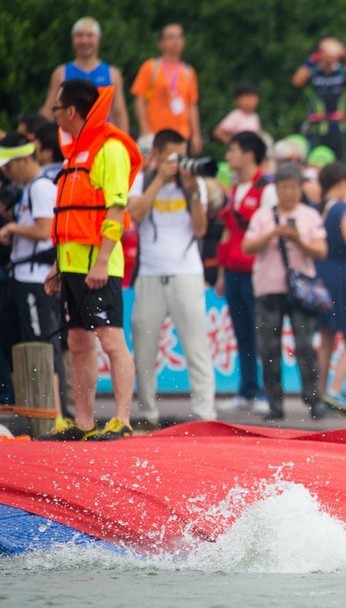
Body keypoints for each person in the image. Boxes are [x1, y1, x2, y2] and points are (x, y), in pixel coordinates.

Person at [44, 80, 143, 440]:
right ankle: (84, 423)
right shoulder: (76, 152)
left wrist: (101, 262)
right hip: (71, 265)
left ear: (70, 111)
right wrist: (58, 265)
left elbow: (116, 208)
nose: (54, 115)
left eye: (56, 109)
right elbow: (69, 219)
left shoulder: (109, 148)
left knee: (111, 339)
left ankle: (122, 421)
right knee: (78, 342)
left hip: (98, 265)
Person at [127, 129, 216, 428]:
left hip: (187, 273)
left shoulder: (193, 182)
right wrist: (160, 181)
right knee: (143, 350)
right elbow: (135, 214)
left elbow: (201, 229)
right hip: (150, 274)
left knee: (196, 347)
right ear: (156, 155)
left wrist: (190, 189)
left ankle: (205, 415)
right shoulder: (142, 179)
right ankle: (147, 414)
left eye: (182, 156)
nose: (178, 163)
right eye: (172, 158)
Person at [241, 163, 327, 420]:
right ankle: (274, 404)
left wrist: (298, 240)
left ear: (301, 188)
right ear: (276, 190)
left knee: (305, 345)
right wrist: (271, 235)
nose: (288, 193)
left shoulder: (310, 216)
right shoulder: (262, 217)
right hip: (268, 289)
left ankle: (314, 399)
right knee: (268, 347)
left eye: (293, 188)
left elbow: (322, 251)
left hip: (301, 290)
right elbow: (247, 247)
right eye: (283, 188)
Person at [0, 134, 68, 434]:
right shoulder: (28, 189)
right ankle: (44, 412)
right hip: (23, 277)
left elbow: (44, 232)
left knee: (44, 344)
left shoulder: (40, 187)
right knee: (30, 343)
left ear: (25, 160)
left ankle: (55, 415)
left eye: (10, 166)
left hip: (34, 280)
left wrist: (13, 227)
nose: (6, 172)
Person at [215, 131, 274, 414]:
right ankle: (246, 389)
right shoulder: (235, 189)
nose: (229, 157)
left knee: (260, 332)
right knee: (241, 334)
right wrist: (222, 273)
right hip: (235, 273)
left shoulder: (267, 188)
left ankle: (265, 392)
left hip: (258, 273)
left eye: (233, 151)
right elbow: (228, 232)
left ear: (249, 154)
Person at [313, 162, 346, 416]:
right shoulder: (342, 209)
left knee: (326, 337)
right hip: (340, 274)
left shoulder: (317, 208)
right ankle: (335, 389)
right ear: (343, 182)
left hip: (319, 273)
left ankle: (319, 392)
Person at [42, 17, 129, 134]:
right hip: (70, 138)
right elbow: (49, 110)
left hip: (102, 138)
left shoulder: (112, 73)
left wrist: (125, 141)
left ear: (98, 39)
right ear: (73, 39)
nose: (84, 41)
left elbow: (120, 112)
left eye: (90, 35)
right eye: (79, 36)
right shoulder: (61, 73)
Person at [292, 36, 346, 164]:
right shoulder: (313, 72)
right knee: (315, 166)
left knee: (341, 167)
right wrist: (313, 59)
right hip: (317, 130)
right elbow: (296, 82)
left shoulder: (343, 71)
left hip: (340, 130)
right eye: (325, 50)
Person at [130, 24, 202, 154]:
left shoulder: (188, 71)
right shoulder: (151, 67)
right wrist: (145, 130)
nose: (175, 41)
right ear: (161, 43)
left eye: (179, 37)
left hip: (181, 135)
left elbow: (192, 105)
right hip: (155, 134)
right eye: (171, 37)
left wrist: (196, 134)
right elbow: (139, 99)